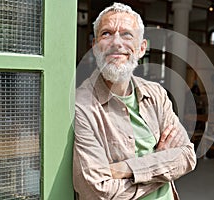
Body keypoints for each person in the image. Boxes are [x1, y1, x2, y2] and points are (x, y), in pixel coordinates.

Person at [73, 2, 197, 200]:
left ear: (141, 48)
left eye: (127, 34)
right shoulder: (81, 105)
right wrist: (159, 164)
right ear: (95, 46)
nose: (116, 43)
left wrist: (126, 168)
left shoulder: (157, 94)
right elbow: (97, 191)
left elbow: (187, 156)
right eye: (106, 33)